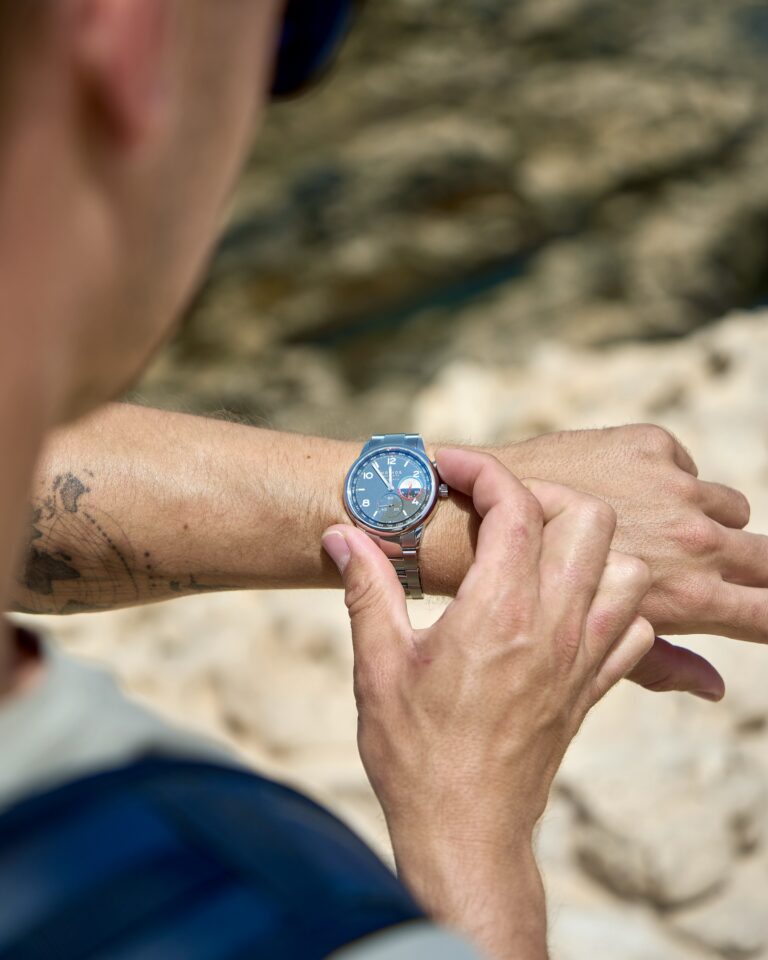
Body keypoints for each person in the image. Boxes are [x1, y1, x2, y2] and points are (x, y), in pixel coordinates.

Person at [0, 2, 765, 958]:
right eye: (301, 34)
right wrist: (467, 826)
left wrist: (457, 525)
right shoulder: (247, 907)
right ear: (129, 30)